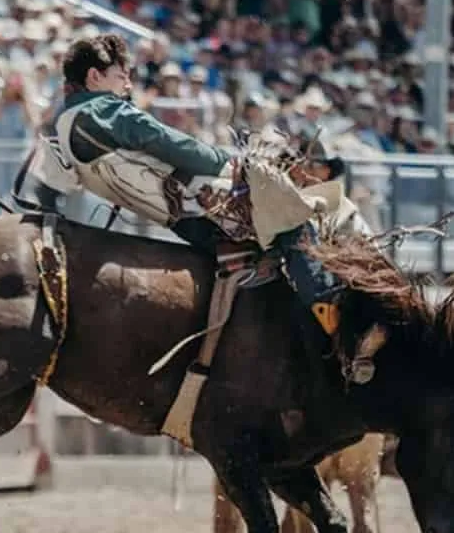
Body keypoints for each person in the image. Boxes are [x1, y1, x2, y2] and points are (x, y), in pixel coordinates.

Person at [31, 34, 347, 336]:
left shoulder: (64, 124)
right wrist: (227, 162)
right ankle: (331, 309)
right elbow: (164, 140)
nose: (127, 84)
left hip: (181, 220)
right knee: (294, 223)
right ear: (94, 77)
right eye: (119, 75)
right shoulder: (102, 109)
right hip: (204, 200)